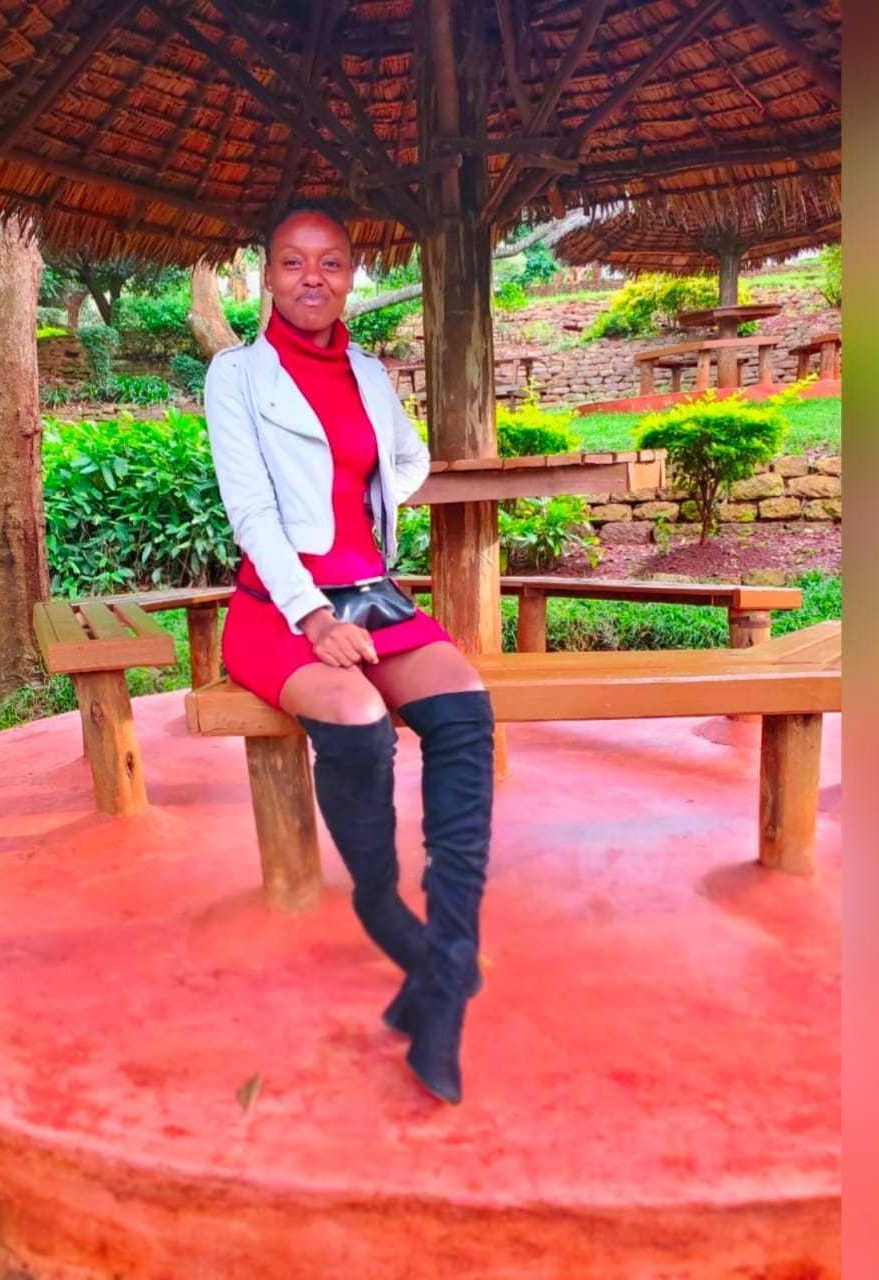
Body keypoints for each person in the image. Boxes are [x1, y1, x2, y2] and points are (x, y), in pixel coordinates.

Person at [203, 199, 494, 1105]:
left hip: (370, 593)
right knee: (359, 719)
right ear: (266, 275)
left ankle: (448, 954)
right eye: (293, 262)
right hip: (278, 605)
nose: (312, 278)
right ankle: (386, 911)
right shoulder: (237, 376)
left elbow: (407, 458)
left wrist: (374, 511)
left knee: (463, 705)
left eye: (330, 262)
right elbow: (252, 513)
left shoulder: (369, 371)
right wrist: (312, 617)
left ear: (351, 276)